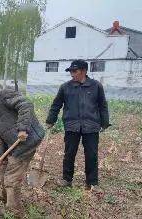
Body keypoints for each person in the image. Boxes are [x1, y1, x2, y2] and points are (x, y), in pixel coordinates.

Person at [0, 81, 45, 215]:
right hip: (13, 142)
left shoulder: (3, 94)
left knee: (11, 177)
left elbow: (26, 105)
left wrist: (23, 128)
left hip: (27, 141)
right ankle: (7, 199)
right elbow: (4, 133)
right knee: (1, 168)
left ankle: (14, 211)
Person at [46, 59, 110, 191]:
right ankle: (66, 179)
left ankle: (92, 183)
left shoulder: (96, 86)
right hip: (72, 125)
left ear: (84, 71)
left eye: (74, 71)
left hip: (91, 125)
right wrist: (50, 120)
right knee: (69, 153)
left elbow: (103, 106)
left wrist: (104, 122)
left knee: (91, 154)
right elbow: (56, 105)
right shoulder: (65, 87)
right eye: (70, 71)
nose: (72, 74)